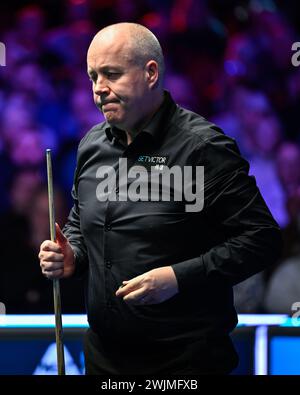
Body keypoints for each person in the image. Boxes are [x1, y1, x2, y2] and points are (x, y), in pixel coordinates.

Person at [38, 22, 282, 375]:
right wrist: (72, 253)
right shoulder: (92, 145)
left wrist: (178, 277)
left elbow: (261, 239)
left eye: (111, 74)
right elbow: (81, 220)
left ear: (150, 73)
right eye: (92, 77)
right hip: (105, 362)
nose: (99, 89)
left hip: (187, 363)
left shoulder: (202, 147)